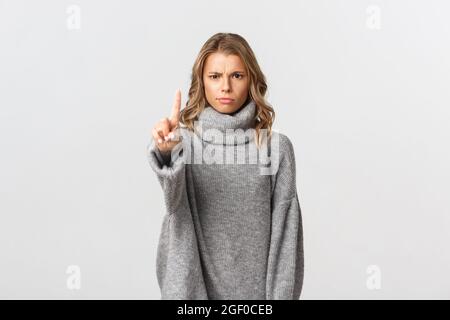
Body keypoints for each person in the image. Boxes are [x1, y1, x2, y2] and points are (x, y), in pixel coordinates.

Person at [147, 32, 304, 300]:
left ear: (251, 80)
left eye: (237, 76)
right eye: (215, 76)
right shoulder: (184, 141)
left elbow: (286, 238)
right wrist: (166, 151)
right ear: (202, 82)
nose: (225, 87)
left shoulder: (276, 148)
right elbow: (174, 203)